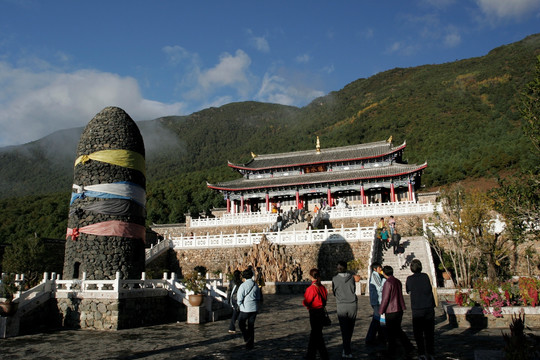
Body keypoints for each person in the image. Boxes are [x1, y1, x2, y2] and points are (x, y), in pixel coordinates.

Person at [379, 266, 414, 359]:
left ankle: (392, 350)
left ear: (384, 273)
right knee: (397, 329)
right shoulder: (397, 281)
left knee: (391, 331)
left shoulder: (388, 283)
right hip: (399, 308)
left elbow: (385, 298)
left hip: (391, 310)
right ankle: (407, 346)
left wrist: (381, 310)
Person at [406, 260, 436, 360]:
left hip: (417, 308)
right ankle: (431, 353)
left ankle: (421, 353)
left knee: (418, 333)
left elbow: (408, 290)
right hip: (428, 307)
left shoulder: (410, 279)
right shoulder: (425, 276)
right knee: (429, 332)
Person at [332, 260, 359, 358]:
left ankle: (346, 349)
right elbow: (354, 289)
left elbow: (334, 292)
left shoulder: (335, 279)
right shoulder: (351, 278)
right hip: (352, 304)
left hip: (342, 305)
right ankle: (347, 348)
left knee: (344, 329)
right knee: (350, 328)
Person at [302, 268, 329, 360]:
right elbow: (325, 300)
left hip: (314, 312)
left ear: (310, 276)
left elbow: (307, 301)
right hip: (321, 312)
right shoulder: (322, 288)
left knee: (316, 334)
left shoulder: (311, 288)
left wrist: (304, 303)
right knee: (316, 333)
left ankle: (320, 355)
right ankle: (311, 354)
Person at [237, 268, 263, 350]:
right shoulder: (255, 285)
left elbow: (239, 298)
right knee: (251, 326)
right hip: (254, 308)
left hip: (245, 309)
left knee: (241, 323)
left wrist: (239, 305)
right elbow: (258, 297)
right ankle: (250, 344)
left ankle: (246, 336)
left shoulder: (243, 285)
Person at [365, 262, 387, 346]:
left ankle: (380, 336)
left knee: (379, 319)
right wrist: (385, 279)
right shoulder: (374, 276)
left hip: (378, 300)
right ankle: (370, 337)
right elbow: (379, 287)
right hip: (377, 301)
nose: (381, 269)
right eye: (379, 268)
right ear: (375, 269)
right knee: (377, 319)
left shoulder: (377, 275)